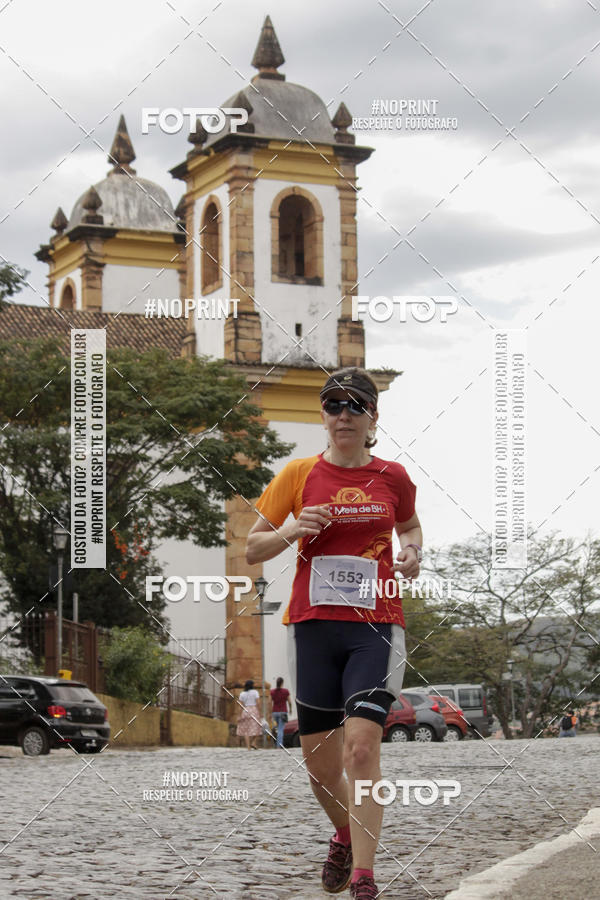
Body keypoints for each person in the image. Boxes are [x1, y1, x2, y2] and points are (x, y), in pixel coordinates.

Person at [246, 366, 422, 899]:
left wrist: (413, 550)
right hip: (313, 629)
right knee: (321, 770)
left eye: (355, 405)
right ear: (323, 416)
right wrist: (292, 529)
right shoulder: (298, 474)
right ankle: (344, 834)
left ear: (373, 416)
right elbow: (252, 547)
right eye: (333, 405)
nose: (343, 414)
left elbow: (409, 525)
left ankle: (365, 878)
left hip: (375, 627)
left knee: (363, 749)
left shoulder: (393, 476)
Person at [236, 679, 262, 750]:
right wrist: (260, 712)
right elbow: (258, 703)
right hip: (254, 710)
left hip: (245, 710)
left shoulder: (242, 694)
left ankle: (248, 748)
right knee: (258, 727)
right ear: (252, 685)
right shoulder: (255, 692)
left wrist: (239, 715)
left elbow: (240, 706)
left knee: (246, 730)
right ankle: (253, 742)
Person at [270, 676, 292, 748]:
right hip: (283, 712)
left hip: (275, 712)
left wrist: (270, 713)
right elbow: (290, 702)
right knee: (280, 729)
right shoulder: (286, 691)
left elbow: (269, 703)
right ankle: (279, 745)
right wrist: (290, 709)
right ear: (282, 683)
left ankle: (276, 743)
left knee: (275, 729)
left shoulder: (272, 692)